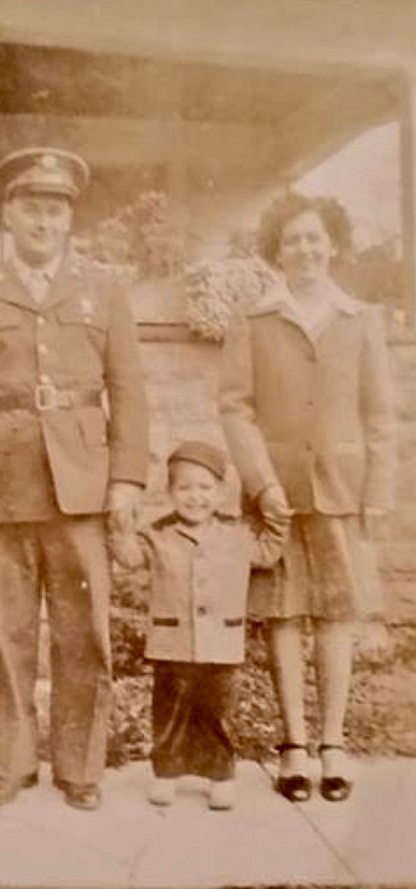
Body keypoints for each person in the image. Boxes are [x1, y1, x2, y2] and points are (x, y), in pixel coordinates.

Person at [0, 147, 148, 810]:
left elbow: (129, 390)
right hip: (1, 481)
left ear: (69, 219)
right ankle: (12, 761)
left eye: (54, 209)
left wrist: (127, 479)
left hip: (82, 482)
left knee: (82, 631)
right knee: (8, 631)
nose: (43, 221)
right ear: (8, 215)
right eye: (31, 208)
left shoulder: (104, 292)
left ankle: (80, 767)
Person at [219, 192, 395, 802]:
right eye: (292, 240)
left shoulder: (360, 319)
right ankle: (293, 744)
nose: (304, 250)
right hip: (279, 493)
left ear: (334, 245)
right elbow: (235, 408)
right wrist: (261, 482)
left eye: (315, 238)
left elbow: (379, 414)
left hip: (342, 488)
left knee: (337, 615)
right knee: (285, 615)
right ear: (277, 250)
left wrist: (377, 490)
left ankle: (333, 743)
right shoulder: (253, 321)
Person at [111, 440, 289, 810]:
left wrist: (278, 516)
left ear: (221, 492)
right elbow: (129, 557)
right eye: (185, 488)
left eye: (205, 488)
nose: (195, 497)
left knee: (216, 714)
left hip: (221, 643)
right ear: (170, 493)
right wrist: (120, 526)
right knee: (170, 714)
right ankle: (166, 774)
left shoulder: (237, 533)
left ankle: (220, 775)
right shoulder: (157, 534)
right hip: (172, 642)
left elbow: (268, 553)